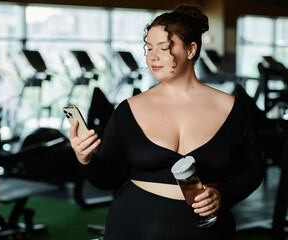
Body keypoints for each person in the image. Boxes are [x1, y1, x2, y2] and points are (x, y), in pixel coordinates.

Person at [69, 4, 264, 240]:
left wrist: (221, 194)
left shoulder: (232, 109)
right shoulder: (128, 110)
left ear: (191, 49)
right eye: (149, 48)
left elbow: (253, 171)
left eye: (163, 47)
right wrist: (85, 159)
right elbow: (108, 179)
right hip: (133, 224)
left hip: (207, 232)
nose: (152, 56)